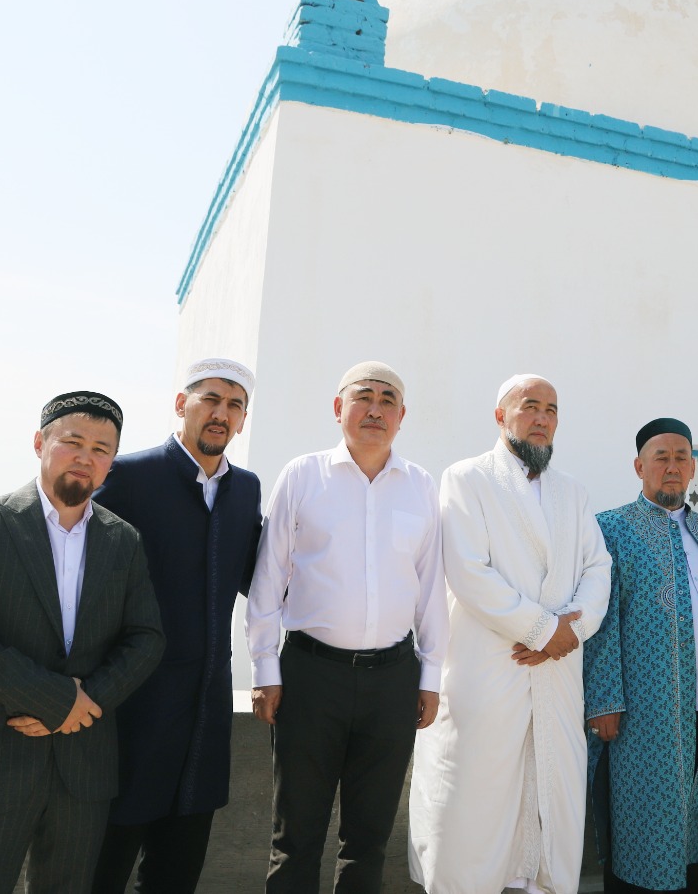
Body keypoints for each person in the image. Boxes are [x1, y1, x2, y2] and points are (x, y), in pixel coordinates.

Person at [0, 392, 165, 894]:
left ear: (111, 462)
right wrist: (57, 700)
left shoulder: (124, 540)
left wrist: (87, 700)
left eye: (101, 449)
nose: (86, 457)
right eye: (72, 442)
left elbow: (145, 639)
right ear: (40, 443)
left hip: (83, 766)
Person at [408, 374, 613, 894]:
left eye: (552, 409)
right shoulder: (467, 478)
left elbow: (598, 569)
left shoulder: (572, 492)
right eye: (530, 407)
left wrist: (570, 631)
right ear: (501, 416)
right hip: (488, 670)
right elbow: (469, 572)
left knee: (552, 803)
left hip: (557, 674)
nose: (543, 418)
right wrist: (542, 629)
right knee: (474, 804)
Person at [247, 362, 448, 894]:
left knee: (369, 838)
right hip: (311, 676)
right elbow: (268, 578)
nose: (376, 409)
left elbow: (431, 587)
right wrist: (264, 668)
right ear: (339, 408)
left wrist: (430, 677)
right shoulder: (302, 475)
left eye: (388, 400)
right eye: (364, 397)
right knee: (295, 834)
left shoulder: (420, 485)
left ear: (402, 416)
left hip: (392, 680)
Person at [88, 359, 264, 893]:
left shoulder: (246, 489)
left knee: (176, 874)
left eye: (234, 405)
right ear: (181, 403)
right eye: (211, 399)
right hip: (132, 707)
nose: (221, 413)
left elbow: (264, 577)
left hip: (205, 711)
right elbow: (64, 561)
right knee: (102, 869)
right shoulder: (128, 476)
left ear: (243, 420)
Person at [584, 417, 698, 894]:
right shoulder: (612, 529)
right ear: (639, 467)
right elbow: (601, 621)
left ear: (694, 468)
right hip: (643, 712)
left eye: (682, 457)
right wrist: (604, 700)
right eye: (661, 457)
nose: (673, 466)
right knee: (642, 819)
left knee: (697, 817)